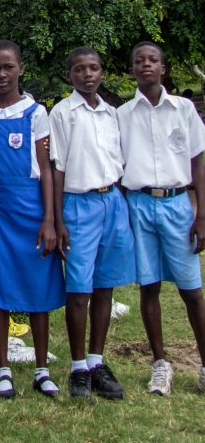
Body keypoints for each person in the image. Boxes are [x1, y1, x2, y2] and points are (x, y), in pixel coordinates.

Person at [0, 40, 64, 398]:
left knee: (37, 285)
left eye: (8, 67)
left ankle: (42, 368)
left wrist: (49, 219)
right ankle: (3, 368)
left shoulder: (36, 112)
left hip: (29, 207)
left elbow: (45, 168)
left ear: (20, 69)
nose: (1, 74)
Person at [117, 41, 205, 396]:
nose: (146, 65)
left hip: (177, 204)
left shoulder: (183, 109)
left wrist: (202, 215)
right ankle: (160, 363)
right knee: (149, 286)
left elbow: (198, 160)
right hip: (139, 203)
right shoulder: (122, 114)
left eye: (153, 59)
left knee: (191, 290)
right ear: (133, 70)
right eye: (139, 61)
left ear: (163, 68)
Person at [49, 47, 135, 399]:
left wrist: (122, 204)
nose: (88, 74)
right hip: (78, 205)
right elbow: (57, 169)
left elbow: (120, 161)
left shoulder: (112, 114)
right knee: (79, 289)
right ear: (70, 75)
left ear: (102, 73)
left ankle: (97, 362)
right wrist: (57, 220)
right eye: (80, 69)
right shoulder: (63, 113)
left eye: (94, 68)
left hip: (112, 201)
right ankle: (77, 367)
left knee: (105, 285)